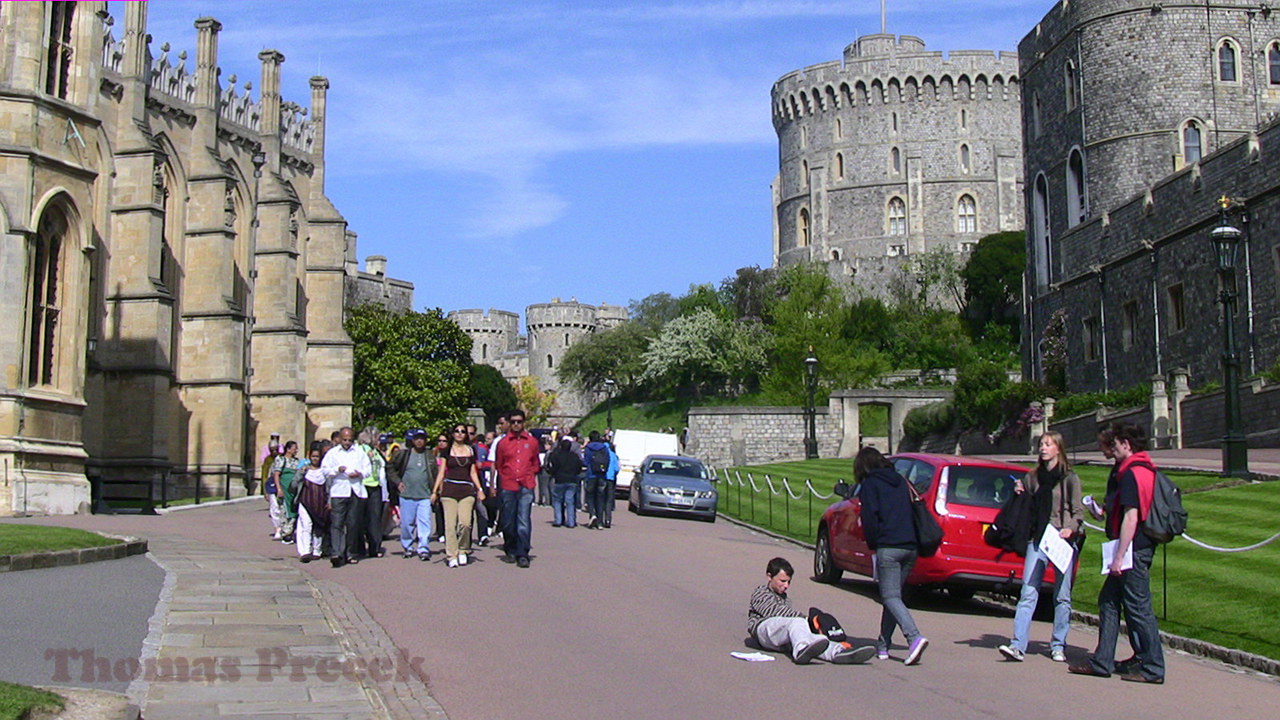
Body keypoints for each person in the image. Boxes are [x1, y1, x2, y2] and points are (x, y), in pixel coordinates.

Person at [1069, 423, 1165, 684]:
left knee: (1138, 607)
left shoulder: (1133, 473)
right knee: (1109, 602)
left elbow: (1132, 518)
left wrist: (1120, 557)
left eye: (1117, 443)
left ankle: (1153, 666)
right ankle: (1105, 661)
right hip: (1133, 547)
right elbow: (1122, 513)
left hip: (1134, 549)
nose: (1113, 448)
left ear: (1127, 444)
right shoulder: (1133, 470)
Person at [998, 431, 1084, 663]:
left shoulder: (1069, 478)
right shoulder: (1032, 477)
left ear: (1058, 449)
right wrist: (1018, 491)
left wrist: (1069, 529)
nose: (1043, 448)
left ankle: (1058, 644)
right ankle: (1017, 644)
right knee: (1028, 591)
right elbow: (1024, 501)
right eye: (1041, 444)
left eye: (1048, 444)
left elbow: (1078, 512)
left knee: (1062, 596)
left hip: (1062, 540)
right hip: (1038, 538)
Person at [855, 446, 929, 665]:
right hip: (910, 546)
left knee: (890, 596)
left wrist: (873, 544)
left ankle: (913, 637)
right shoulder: (900, 480)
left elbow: (870, 518)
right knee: (893, 596)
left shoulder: (869, 484)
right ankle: (883, 644)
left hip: (888, 545)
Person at [747, 557, 877, 665]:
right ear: (770, 577)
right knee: (797, 623)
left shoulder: (785, 598)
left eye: (789, 582)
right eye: (783, 581)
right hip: (762, 631)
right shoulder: (761, 592)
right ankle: (800, 651)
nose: (786, 585)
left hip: (779, 637)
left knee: (816, 639)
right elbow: (774, 611)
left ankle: (838, 652)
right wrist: (806, 620)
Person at [431, 424, 487, 568]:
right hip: (449, 490)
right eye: (457, 431)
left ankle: (463, 549)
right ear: (453, 434)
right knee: (450, 525)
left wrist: (479, 489)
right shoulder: (446, 451)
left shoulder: (470, 450)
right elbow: (441, 472)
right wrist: (435, 491)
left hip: (466, 490)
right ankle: (451, 555)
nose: (460, 434)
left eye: (463, 432)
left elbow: (473, 472)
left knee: (465, 523)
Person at [494, 410, 541, 568]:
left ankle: (522, 552)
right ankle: (510, 547)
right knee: (508, 520)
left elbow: (535, 463)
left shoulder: (532, 442)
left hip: (526, 485)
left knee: (523, 520)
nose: (516, 424)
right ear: (509, 423)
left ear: (523, 423)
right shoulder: (503, 443)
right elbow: (499, 464)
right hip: (508, 485)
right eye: (513, 421)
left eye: (519, 421)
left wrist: (530, 475)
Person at [321, 427, 371, 568]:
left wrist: (359, 473)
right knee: (337, 523)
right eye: (344, 440)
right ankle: (337, 553)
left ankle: (351, 553)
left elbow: (368, 470)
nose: (347, 442)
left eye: (349, 440)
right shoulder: (333, 453)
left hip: (355, 491)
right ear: (340, 439)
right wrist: (337, 469)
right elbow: (325, 470)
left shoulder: (360, 452)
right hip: (339, 491)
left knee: (353, 524)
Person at [388, 429, 433, 560]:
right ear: (412, 440)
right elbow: (390, 468)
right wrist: (397, 482)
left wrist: (435, 491)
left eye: (422, 438)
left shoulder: (429, 455)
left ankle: (423, 548)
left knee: (425, 522)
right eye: (417, 438)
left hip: (424, 494)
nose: (419, 441)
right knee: (407, 524)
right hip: (407, 494)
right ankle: (407, 547)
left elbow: (434, 473)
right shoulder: (403, 454)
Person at [351, 428, 388, 559]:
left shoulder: (376, 451)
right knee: (360, 518)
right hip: (363, 485)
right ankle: (359, 548)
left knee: (375, 518)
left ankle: (374, 547)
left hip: (375, 487)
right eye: (377, 437)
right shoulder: (360, 449)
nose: (379, 440)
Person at [295, 448, 330, 562]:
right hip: (305, 502)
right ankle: (305, 551)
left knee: (318, 527)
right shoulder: (304, 470)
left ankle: (317, 550)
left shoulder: (324, 472)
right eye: (313, 456)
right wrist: (301, 473)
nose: (315, 459)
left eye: (317, 457)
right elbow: (293, 485)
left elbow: (329, 488)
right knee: (306, 525)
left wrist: (329, 501)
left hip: (320, 503)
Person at [545, 438, 583, 528]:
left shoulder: (556, 456)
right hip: (571, 480)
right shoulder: (575, 456)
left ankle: (558, 520)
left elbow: (552, 467)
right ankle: (571, 521)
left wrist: (552, 473)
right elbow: (579, 468)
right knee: (570, 501)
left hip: (559, 479)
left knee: (557, 500)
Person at [272, 441, 304, 543]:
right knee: (284, 510)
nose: (296, 450)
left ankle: (290, 531)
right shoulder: (281, 459)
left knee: (294, 509)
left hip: (294, 489)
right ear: (288, 449)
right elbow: (276, 474)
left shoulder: (296, 461)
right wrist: (279, 489)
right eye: (295, 448)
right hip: (284, 488)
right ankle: (285, 533)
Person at [583, 431, 611, 529]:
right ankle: (600, 522)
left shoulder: (588, 448)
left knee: (590, 496)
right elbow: (608, 460)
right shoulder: (604, 448)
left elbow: (585, 462)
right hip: (602, 475)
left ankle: (592, 514)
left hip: (591, 475)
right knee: (600, 498)